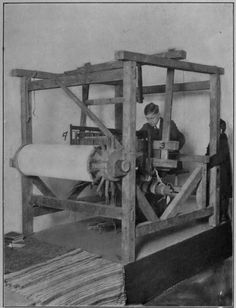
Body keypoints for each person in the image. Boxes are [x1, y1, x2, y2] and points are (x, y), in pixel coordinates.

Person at [206, 119, 232, 221]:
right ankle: (212, 212)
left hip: (223, 171)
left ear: (220, 129)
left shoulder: (224, 139)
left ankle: (223, 214)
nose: (210, 130)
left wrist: (209, 161)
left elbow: (221, 156)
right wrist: (205, 161)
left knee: (222, 192)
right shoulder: (212, 140)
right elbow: (208, 153)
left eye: (212, 128)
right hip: (214, 169)